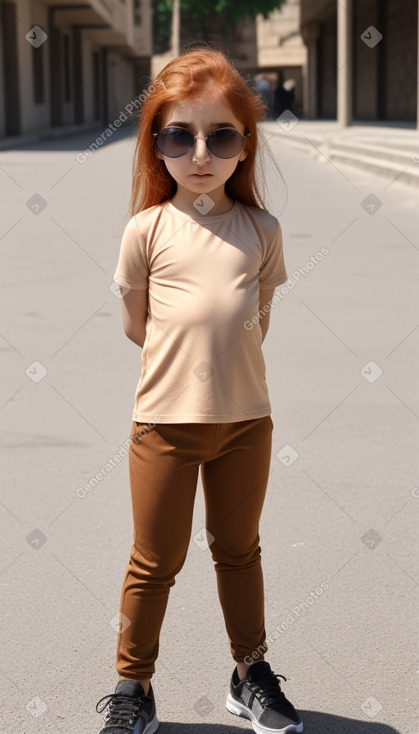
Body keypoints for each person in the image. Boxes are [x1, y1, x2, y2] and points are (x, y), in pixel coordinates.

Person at [95, 46, 303, 734]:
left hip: (246, 423)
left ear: (245, 144)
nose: (200, 153)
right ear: (156, 144)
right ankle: (133, 687)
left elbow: (256, 323)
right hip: (163, 424)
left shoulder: (262, 231)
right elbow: (139, 327)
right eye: (179, 136)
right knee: (152, 562)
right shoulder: (145, 231)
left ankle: (250, 673)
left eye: (220, 135)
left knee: (238, 550)